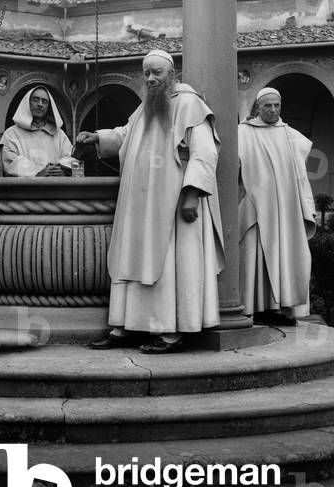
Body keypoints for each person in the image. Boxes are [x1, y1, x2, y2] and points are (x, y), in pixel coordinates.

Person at [76, 49, 226, 354]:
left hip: (171, 204)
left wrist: (192, 195)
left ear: (172, 75)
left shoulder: (189, 104)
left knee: (167, 265)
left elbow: (205, 153)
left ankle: (169, 333)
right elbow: (126, 134)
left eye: (156, 72)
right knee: (130, 258)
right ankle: (125, 327)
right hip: (138, 204)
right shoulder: (146, 106)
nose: (150, 78)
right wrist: (99, 138)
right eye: (146, 73)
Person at [238, 86, 316, 327]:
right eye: (267, 106)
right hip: (255, 205)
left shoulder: (290, 135)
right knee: (256, 256)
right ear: (257, 108)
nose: (272, 110)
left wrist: (306, 205)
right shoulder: (243, 133)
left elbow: (300, 176)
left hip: (285, 210)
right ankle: (258, 308)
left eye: (277, 105)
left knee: (285, 254)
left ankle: (281, 308)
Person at [0, 85, 75, 177]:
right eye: (35, 99)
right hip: (26, 190)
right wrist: (39, 172)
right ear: (28, 103)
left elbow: (70, 157)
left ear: (48, 107)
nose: (40, 104)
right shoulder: (11, 134)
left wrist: (61, 171)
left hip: (54, 189)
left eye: (44, 101)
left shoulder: (59, 134)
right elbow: (10, 162)